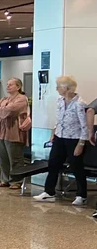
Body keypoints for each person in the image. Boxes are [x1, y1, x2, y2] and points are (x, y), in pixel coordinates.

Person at [35, 76, 89, 205]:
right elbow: (59, 119)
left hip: (74, 139)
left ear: (67, 88)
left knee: (76, 166)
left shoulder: (80, 104)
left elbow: (85, 126)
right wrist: (53, 133)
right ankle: (49, 192)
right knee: (53, 163)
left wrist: (81, 144)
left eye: (59, 86)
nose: (56, 88)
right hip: (60, 137)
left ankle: (82, 195)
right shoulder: (60, 100)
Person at [0, 78, 29, 190]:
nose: (8, 86)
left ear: (18, 87)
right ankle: (5, 179)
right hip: (1, 130)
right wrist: (2, 110)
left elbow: (11, 111)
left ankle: (17, 181)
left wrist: (1, 110)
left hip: (13, 131)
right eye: (7, 84)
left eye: (11, 85)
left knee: (15, 157)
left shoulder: (22, 99)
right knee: (2, 157)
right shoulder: (4, 99)